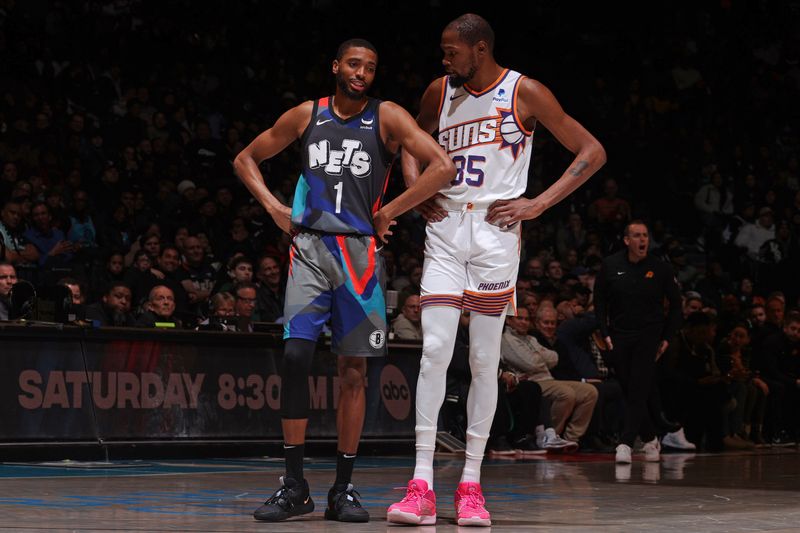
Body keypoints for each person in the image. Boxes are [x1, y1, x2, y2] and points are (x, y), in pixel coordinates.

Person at [387, 13, 605, 527]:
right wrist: (418, 193)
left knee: (485, 359)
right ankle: (420, 483)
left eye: (451, 51)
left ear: (479, 48)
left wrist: (537, 205)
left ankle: (471, 485)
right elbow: (408, 143)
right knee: (435, 350)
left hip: (494, 233)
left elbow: (591, 151)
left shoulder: (524, 91)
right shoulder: (440, 92)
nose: (444, 60)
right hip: (444, 229)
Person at [233, 38, 454, 523]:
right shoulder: (306, 114)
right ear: (335, 66)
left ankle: (343, 489)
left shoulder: (388, 116)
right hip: (309, 248)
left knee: (353, 372)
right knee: (294, 358)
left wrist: (390, 211)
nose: (361, 73)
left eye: (370, 67)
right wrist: (274, 208)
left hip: (360, 255)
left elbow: (443, 167)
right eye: (354, 64)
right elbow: (245, 159)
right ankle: (294, 487)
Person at [593, 220, 682, 464]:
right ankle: (651, 436)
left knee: (639, 384)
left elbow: (676, 305)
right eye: (637, 235)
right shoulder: (611, 265)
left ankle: (625, 442)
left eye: (645, 235)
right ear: (626, 240)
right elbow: (599, 300)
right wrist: (604, 330)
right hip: (619, 334)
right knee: (628, 386)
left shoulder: (660, 268)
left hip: (649, 334)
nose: (642, 240)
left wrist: (667, 337)